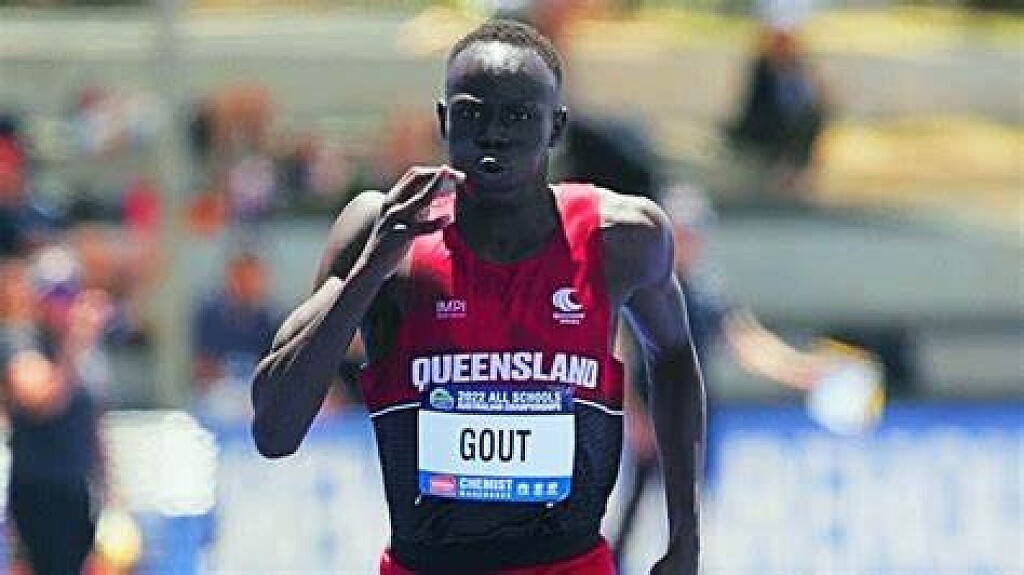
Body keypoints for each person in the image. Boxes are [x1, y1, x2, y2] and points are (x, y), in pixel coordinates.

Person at [252, 19, 704, 575]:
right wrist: (371, 269)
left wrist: (685, 536)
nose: (493, 133)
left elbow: (674, 354)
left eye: (518, 115)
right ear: (444, 120)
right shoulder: (381, 230)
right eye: (472, 113)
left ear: (557, 127)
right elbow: (274, 430)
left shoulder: (622, 238)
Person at [0, 255, 111, 575]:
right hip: (37, 491)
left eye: (68, 295)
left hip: (77, 489)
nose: (60, 305)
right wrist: (74, 345)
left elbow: (95, 425)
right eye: (53, 296)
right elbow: (42, 401)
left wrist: (113, 496)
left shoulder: (86, 350)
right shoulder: (20, 340)